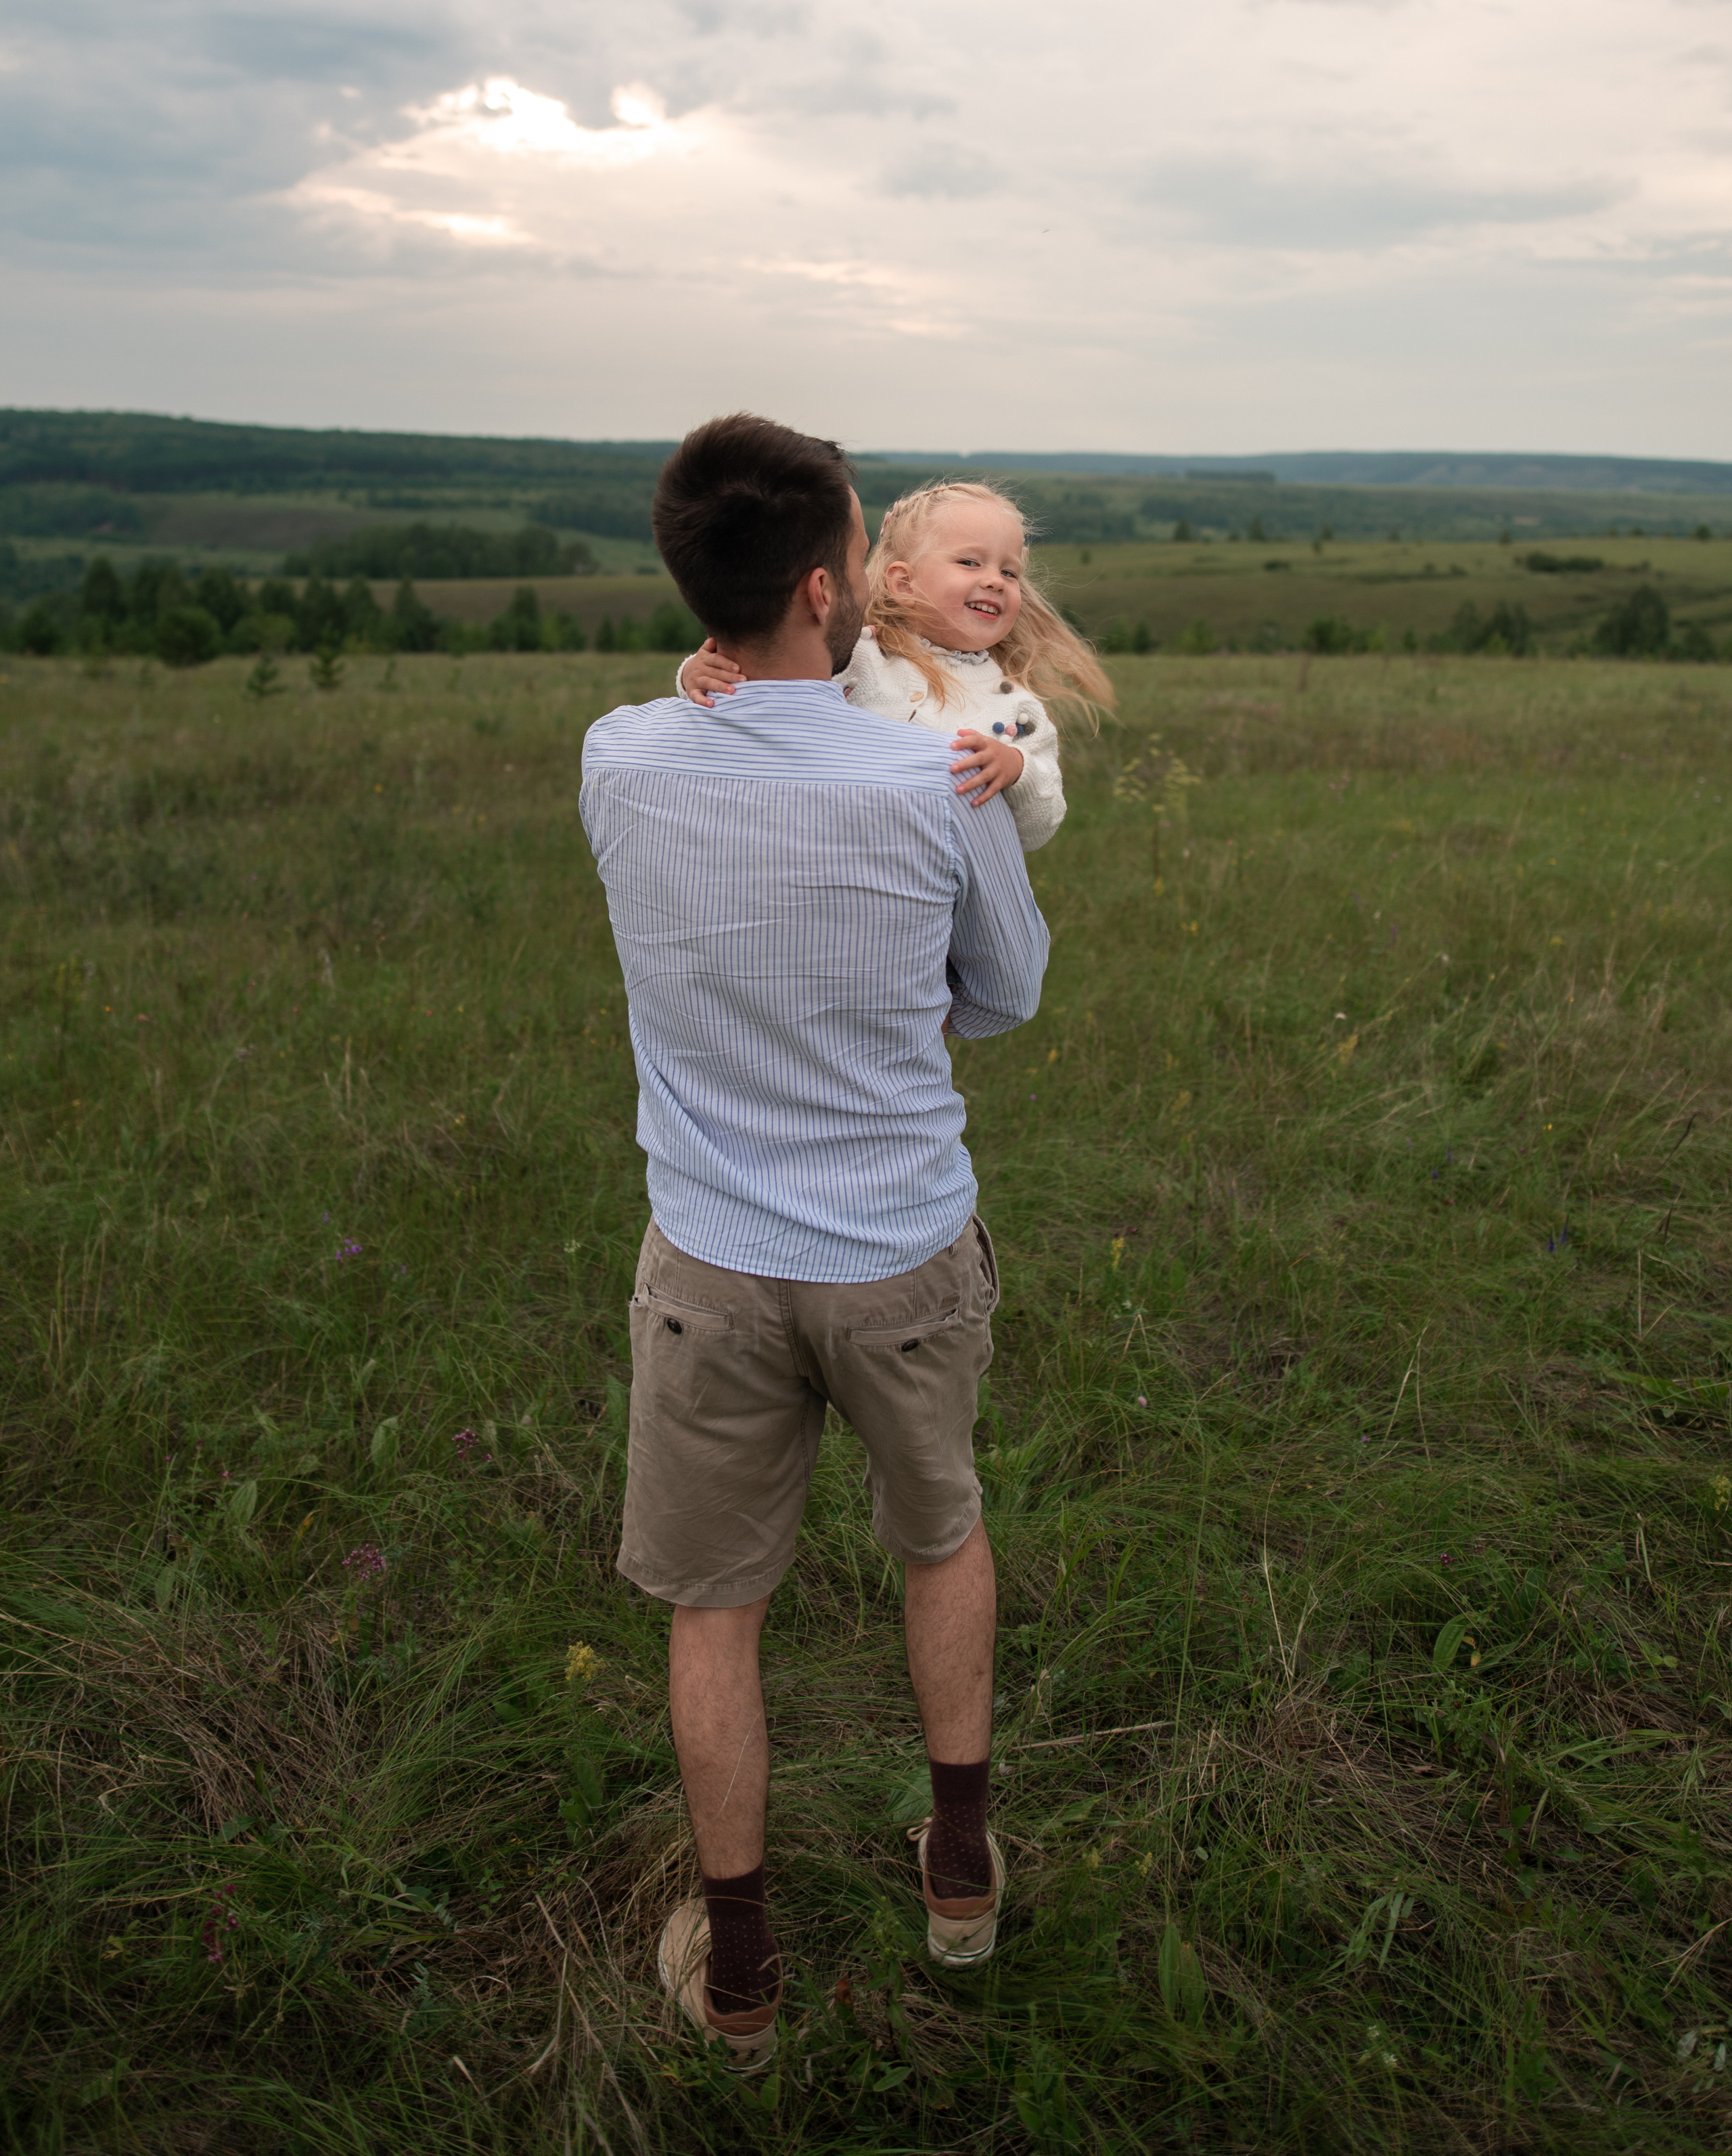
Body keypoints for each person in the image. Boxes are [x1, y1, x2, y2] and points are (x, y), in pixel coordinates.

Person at [579, 416, 1049, 2072]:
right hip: (902, 1244)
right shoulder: (937, 771)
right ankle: (959, 1876)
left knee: (712, 1608)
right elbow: (1006, 990)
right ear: (824, 582)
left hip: (707, 1257)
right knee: (937, 1538)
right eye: (856, 551)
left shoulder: (620, 754)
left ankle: (744, 1975)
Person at [675, 478, 1114, 853]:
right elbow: (767, 679)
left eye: (1010, 572)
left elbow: (1040, 828)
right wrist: (697, 672)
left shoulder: (1016, 710)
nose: (995, 581)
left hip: (941, 900)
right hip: (828, 853)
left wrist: (1016, 770)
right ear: (904, 583)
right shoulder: (862, 656)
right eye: (969, 562)